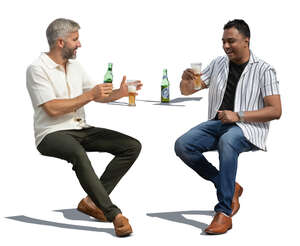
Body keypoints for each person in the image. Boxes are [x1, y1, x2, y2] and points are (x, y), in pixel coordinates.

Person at [26, 18, 142, 237]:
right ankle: (113, 214)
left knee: (131, 146)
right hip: (50, 134)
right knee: (78, 154)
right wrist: (90, 95)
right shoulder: (37, 69)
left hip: (79, 128)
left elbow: (97, 95)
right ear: (60, 42)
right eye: (75, 39)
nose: (79, 44)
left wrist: (120, 92)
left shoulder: (75, 66)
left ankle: (91, 201)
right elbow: (51, 108)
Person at [175, 19, 281, 235]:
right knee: (183, 145)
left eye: (230, 41)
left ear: (246, 41)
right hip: (217, 123)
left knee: (228, 140)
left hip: (247, 128)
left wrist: (238, 115)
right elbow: (189, 91)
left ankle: (224, 212)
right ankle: (229, 186)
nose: (225, 46)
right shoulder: (218, 63)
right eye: (223, 41)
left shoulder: (264, 70)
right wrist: (185, 82)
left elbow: (275, 110)